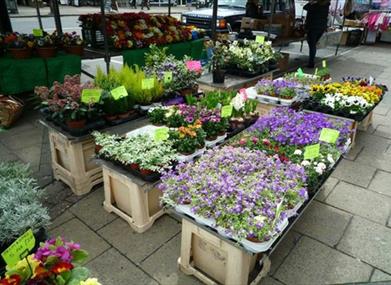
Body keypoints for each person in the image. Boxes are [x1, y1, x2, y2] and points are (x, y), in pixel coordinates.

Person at [304, 0, 330, 68]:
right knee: (313, 44)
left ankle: (311, 62)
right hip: (321, 27)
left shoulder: (315, 5)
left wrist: (311, 2)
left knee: (312, 45)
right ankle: (311, 61)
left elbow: (305, 7)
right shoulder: (326, 5)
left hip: (313, 27)